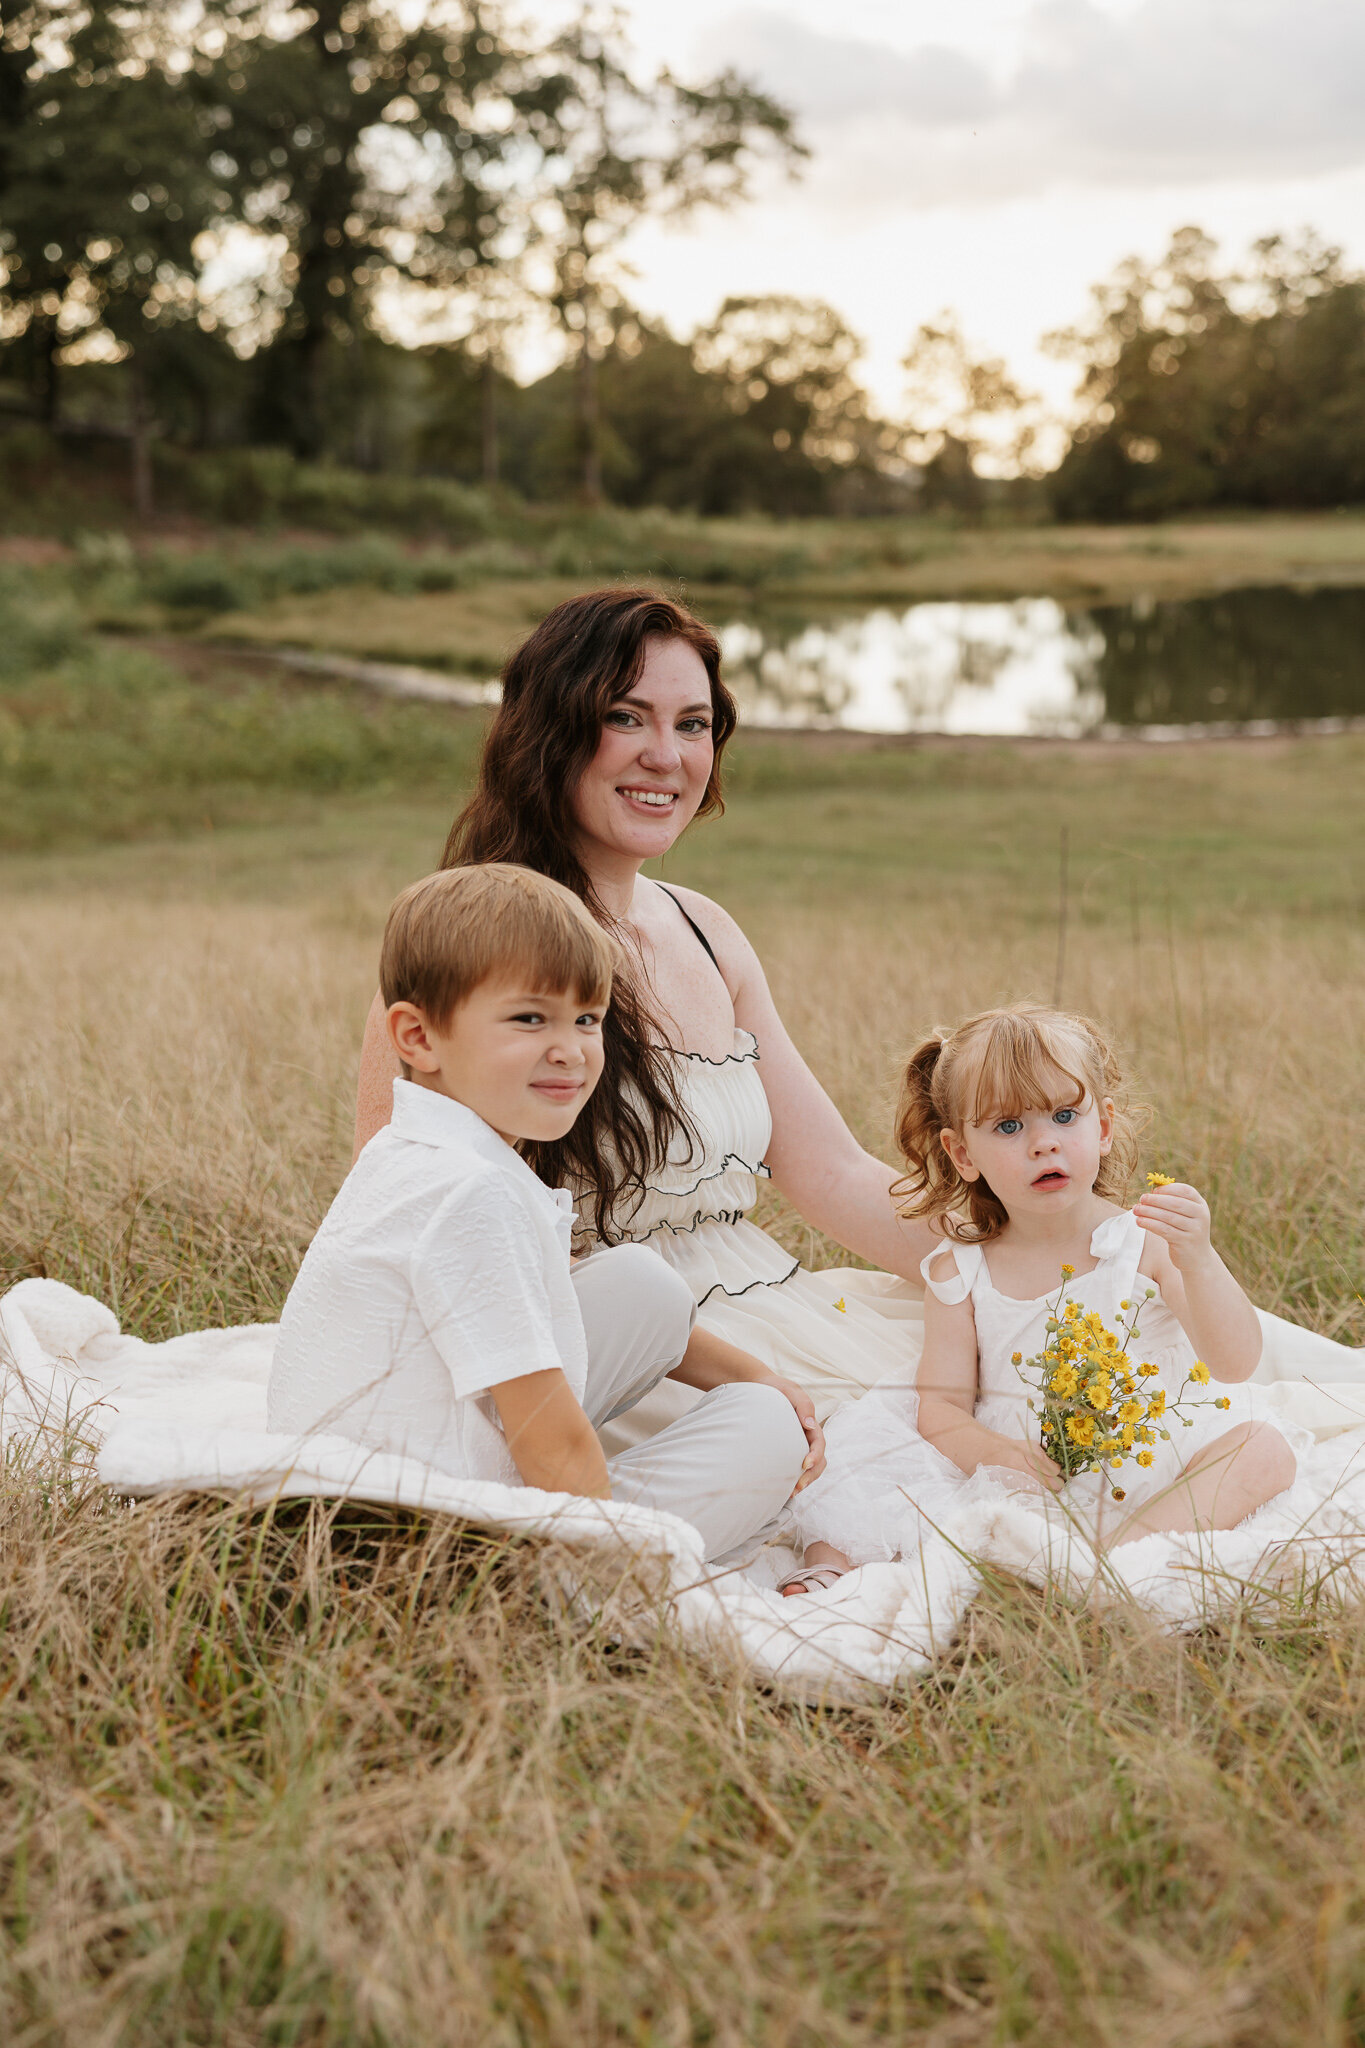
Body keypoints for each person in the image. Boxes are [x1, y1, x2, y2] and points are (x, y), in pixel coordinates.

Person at [353, 587, 1359, 1458]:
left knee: (1096, 1347)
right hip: (601, 1335)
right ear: (553, 729)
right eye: (627, 717)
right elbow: (407, 1202)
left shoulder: (705, 930)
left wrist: (1026, 1246)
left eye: (695, 724)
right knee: (942, 1437)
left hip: (766, 1288)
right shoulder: (468, 950)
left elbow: (827, 1169)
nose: (667, 754)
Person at [270, 863, 818, 1563]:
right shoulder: (472, 1194)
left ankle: (592, 1534)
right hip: (433, 1544)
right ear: (416, 1038)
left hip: (367, 1482)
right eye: (529, 1018)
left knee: (639, 1282)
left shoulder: (417, 1151)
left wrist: (756, 1374)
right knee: (768, 1432)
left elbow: (550, 1302)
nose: (569, 1050)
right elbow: (544, 1431)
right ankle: (580, 1583)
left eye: (586, 1020)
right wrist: (593, 1553)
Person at [781, 1005, 1303, 1593]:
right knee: (869, 1463)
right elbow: (941, 1409)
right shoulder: (962, 1270)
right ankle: (835, 1571)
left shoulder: (1145, 1243)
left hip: (1153, 1460)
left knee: (1264, 1449)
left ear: (1102, 1128)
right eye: (1008, 1127)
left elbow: (1235, 1364)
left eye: (1063, 1115)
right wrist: (1000, 1454)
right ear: (963, 1155)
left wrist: (1201, 1260)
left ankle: (1118, 1553)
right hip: (1028, 1473)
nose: (1043, 1144)